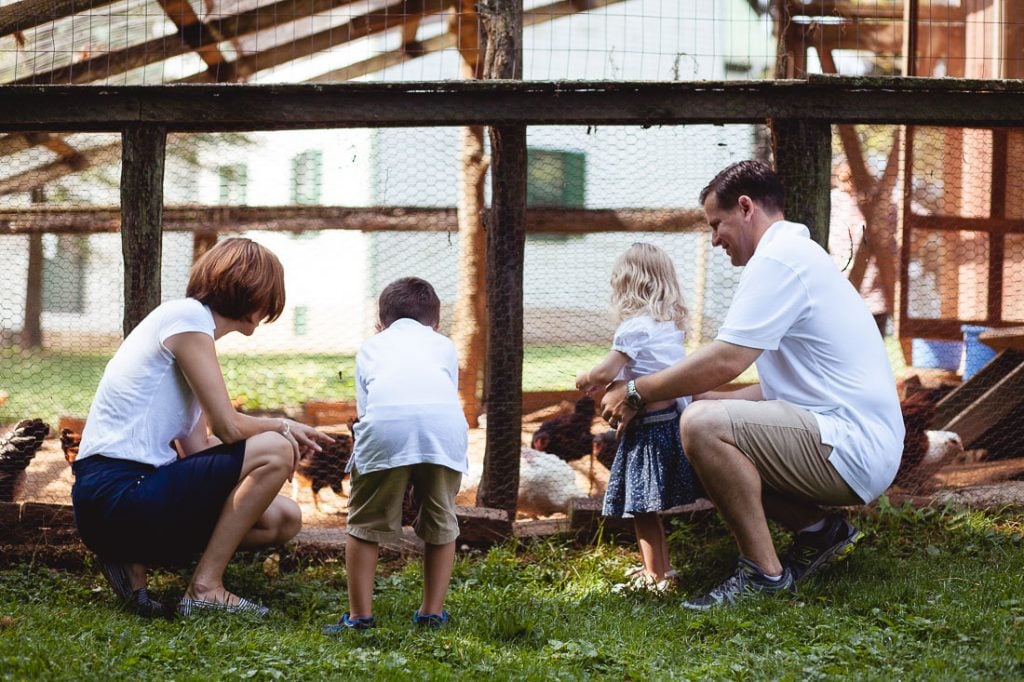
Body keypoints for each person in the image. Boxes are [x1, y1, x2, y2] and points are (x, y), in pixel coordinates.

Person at [602, 160, 904, 609]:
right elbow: (776, 389)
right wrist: (700, 397)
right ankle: (819, 531)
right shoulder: (793, 255)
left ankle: (764, 574)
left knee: (702, 428)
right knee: (697, 421)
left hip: (852, 445)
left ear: (745, 207)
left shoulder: (778, 260)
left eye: (717, 224)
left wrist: (638, 391)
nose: (714, 239)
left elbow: (727, 358)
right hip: (848, 437)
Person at [71, 237, 332, 618]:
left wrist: (261, 474)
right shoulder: (187, 318)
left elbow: (198, 450)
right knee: (275, 447)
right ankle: (205, 587)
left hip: (132, 497)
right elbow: (228, 427)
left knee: (282, 517)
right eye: (270, 294)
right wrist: (283, 430)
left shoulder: (193, 337)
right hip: (117, 491)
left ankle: (132, 557)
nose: (271, 307)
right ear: (251, 291)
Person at [324, 277, 468, 632]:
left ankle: (359, 617)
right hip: (443, 430)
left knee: (364, 525)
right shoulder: (444, 345)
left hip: (386, 426)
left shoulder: (371, 346)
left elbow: (365, 409)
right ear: (435, 322)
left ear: (380, 323)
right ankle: (431, 613)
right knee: (440, 523)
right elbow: (447, 392)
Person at [576, 243, 701, 593]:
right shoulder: (668, 327)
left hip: (647, 430)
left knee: (643, 509)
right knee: (649, 509)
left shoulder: (634, 327)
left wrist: (586, 378)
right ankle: (661, 569)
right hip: (669, 424)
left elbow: (606, 371)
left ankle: (656, 577)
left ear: (628, 284)